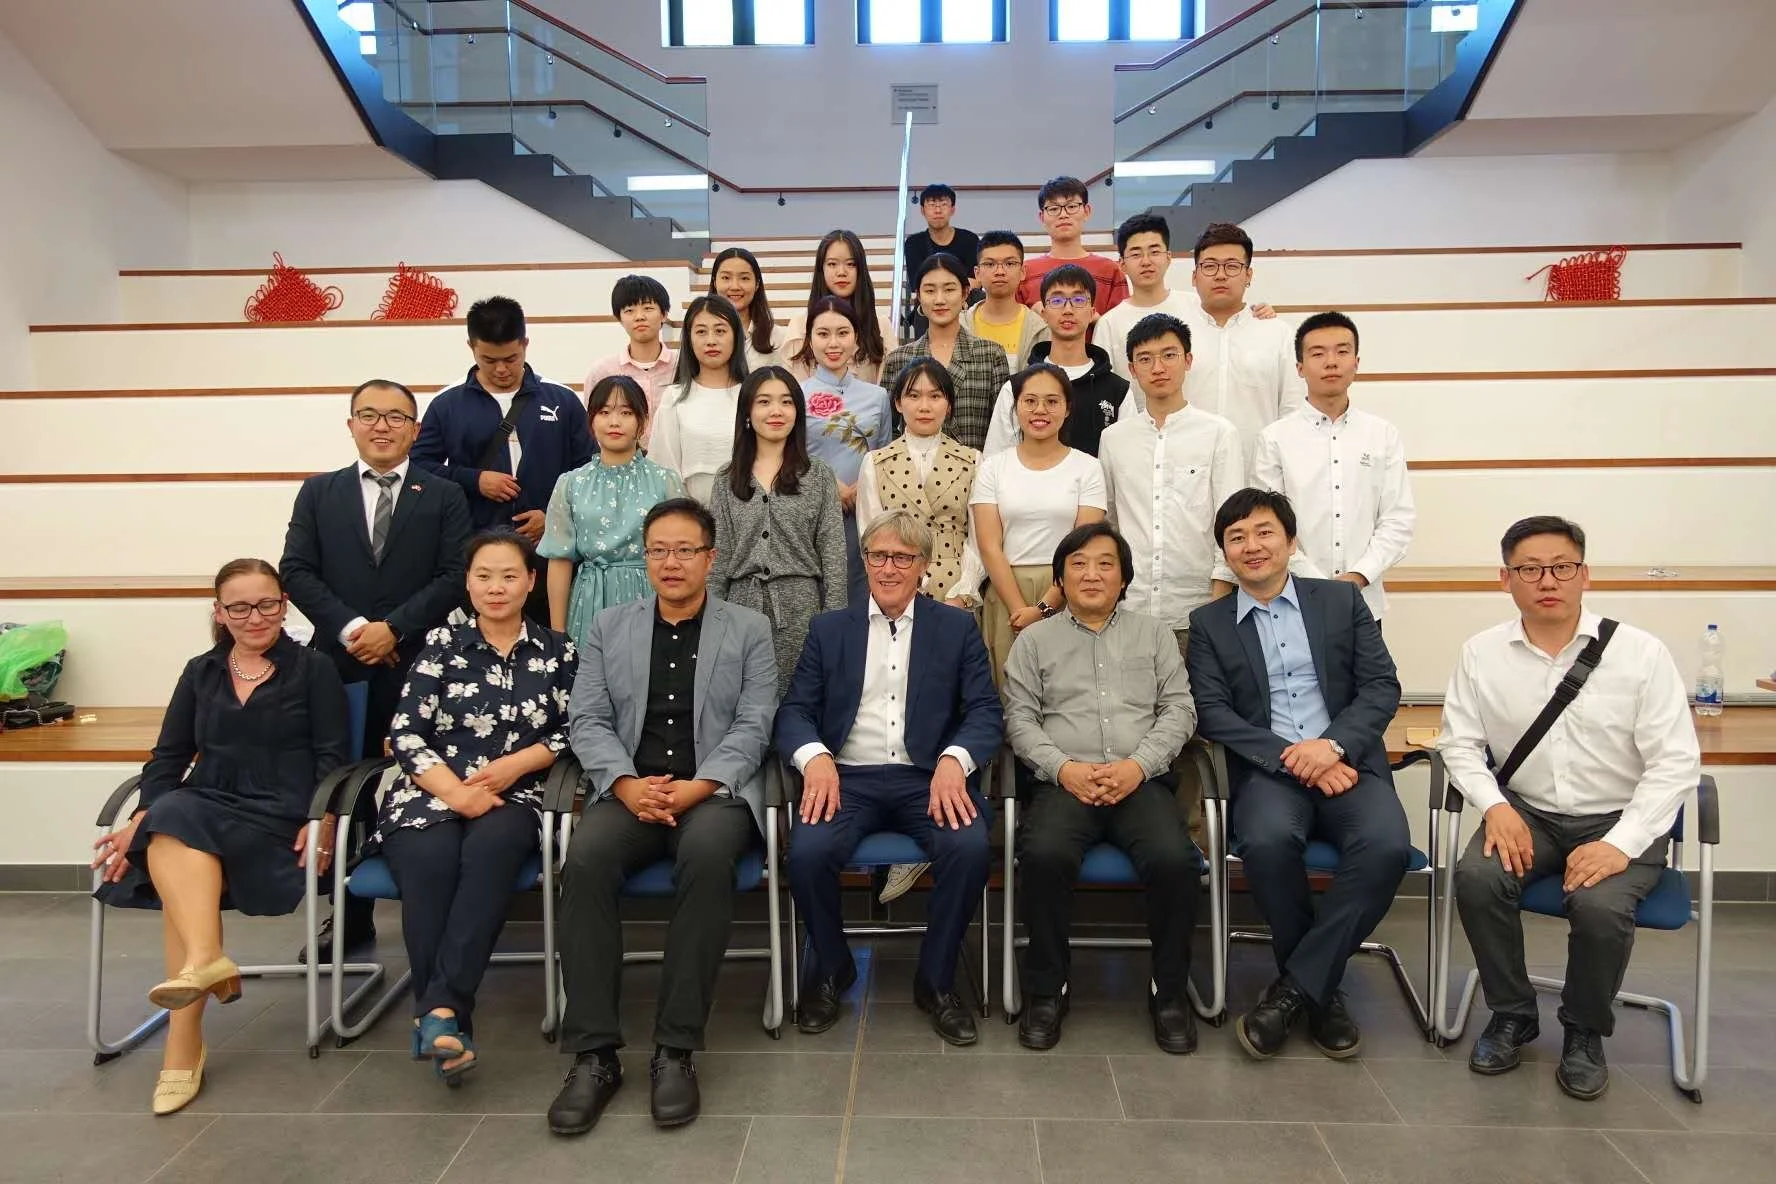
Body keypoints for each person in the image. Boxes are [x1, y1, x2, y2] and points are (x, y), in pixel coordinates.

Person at [1440, 516, 1700, 1101]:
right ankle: (1512, 1014)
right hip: (1527, 811)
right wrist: (1494, 805)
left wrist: (1620, 842)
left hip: (1619, 819)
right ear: (1506, 578)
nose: (1547, 580)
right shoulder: (1482, 653)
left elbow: (1675, 762)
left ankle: (1585, 1031)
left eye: (1562, 566)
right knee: (1478, 878)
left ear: (1584, 575)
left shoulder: (1640, 654)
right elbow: (1458, 742)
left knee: (1599, 906)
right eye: (1530, 569)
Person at [548, 498, 778, 1136]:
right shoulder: (608, 625)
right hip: (630, 791)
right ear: (644, 558)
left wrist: (698, 787)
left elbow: (756, 723)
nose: (670, 563)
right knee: (586, 862)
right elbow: (587, 719)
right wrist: (623, 783)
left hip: (713, 792)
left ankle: (675, 1049)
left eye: (685, 551)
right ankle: (594, 1055)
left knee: (706, 860)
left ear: (711, 557)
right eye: (658, 551)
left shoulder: (749, 627)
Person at [91, 559, 349, 1115]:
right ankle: (204, 968)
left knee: (170, 839)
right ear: (219, 612)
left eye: (267, 604)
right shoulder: (201, 671)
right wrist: (141, 813)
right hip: (207, 800)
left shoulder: (314, 668)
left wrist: (322, 817)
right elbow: (169, 758)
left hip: (283, 815)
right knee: (168, 821)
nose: (255, 617)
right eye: (239, 607)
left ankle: (185, 1039)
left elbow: (334, 758)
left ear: (284, 606)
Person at [1186, 488, 1411, 1062]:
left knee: (1386, 846)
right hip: (1270, 772)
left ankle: (1295, 990)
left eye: (1264, 532)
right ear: (1225, 554)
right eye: (1236, 538)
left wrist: (1331, 747)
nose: (1252, 546)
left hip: (1348, 766)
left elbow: (1382, 687)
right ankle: (1322, 993)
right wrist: (1298, 757)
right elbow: (1213, 713)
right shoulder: (1208, 623)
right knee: (1265, 841)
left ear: (1290, 541)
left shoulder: (1341, 602)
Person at [778, 510, 1004, 1045]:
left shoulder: (956, 628)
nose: (888, 567)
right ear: (865, 560)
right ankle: (833, 969)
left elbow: (985, 712)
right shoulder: (829, 629)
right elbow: (794, 711)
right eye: (878, 555)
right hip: (846, 776)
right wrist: (815, 758)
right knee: (806, 853)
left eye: (902, 558)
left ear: (923, 566)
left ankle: (937, 981)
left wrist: (955, 760)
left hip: (927, 776)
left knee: (969, 847)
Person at [373, 531, 576, 1084]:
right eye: (484, 575)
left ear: (531, 582)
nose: (496, 587)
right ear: (467, 582)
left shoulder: (558, 651)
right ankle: (447, 1016)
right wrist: (455, 792)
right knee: (431, 860)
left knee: (491, 851)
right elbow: (406, 732)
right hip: (430, 791)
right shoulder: (440, 644)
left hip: (517, 794)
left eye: (509, 575)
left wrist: (517, 765)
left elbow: (575, 728)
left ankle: (437, 1010)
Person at [281, 377, 472, 962]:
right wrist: (354, 630)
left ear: (415, 429)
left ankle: (437, 906)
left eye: (395, 416)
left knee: (426, 780)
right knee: (340, 783)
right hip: (338, 663)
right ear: (351, 424)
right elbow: (296, 569)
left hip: (422, 662)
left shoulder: (441, 495)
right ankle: (348, 913)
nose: (382, 426)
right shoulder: (319, 493)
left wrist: (394, 629)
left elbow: (452, 575)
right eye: (369, 415)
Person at [1004, 523, 1201, 1053]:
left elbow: (1180, 709)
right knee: (1042, 855)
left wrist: (1139, 765)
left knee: (1175, 862)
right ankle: (1048, 989)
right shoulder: (1034, 640)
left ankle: (1169, 992)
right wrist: (1063, 768)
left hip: (1141, 782)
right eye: (1079, 564)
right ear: (1060, 578)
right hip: (1063, 782)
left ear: (1124, 577)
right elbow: (1019, 719)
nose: (1092, 573)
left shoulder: (1155, 634)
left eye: (1105, 563)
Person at [413, 295, 592, 620]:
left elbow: (589, 471)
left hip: (549, 556)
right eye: (488, 359)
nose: (501, 369)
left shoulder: (561, 399)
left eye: (511, 358)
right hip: (478, 552)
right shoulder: (447, 404)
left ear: (526, 343)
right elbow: (419, 467)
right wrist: (474, 479)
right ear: (471, 347)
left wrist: (553, 516)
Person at [1251, 312, 1415, 625]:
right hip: (1293, 599)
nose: (1331, 361)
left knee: (1370, 677)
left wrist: (1359, 576)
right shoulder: (1274, 438)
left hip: (1365, 603)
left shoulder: (1382, 434)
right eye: (1317, 353)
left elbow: (1398, 518)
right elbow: (1268, 525)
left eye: (1342, 351)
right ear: (1299, 368)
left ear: (1356, 361)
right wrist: (1317, 583)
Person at [1098, 314, 1245, 645]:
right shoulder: (1114, 439)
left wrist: (1218, 602)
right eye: (1145, 359)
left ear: (1188, 360)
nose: (1158, 367)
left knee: (1201, 699)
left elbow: (1232, 523)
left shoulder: (1219, 433)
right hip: (1130, 609)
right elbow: (1110, 521)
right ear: (1132, 369)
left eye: (1169, 355)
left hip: (1198, 609)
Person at [707, 366, 849, 696]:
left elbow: (834, 557)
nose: (776, 411)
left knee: (800, 707)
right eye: (764, 402)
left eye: (786, 402)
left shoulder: (819, 476)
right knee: (744, 707)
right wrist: (710, 623)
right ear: (747, 413)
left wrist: (833, 626)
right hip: (740, 610)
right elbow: (718, 558)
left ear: (797, 413)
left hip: (802, 612)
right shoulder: (726, 479)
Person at [970, 363, 1107, 684]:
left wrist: (1045, 607)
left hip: (1071, 588)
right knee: (1011, 694)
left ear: (1067, 408)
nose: (1040, 410)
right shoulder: (993, 468)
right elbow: (989, 546)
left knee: (1070, 692)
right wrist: (1021, 611)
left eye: (1051, 401)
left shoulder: (1087, 468)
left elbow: (1083, 545)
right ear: (1015, 407)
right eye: (1029, 401)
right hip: (1006, 592)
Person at [1132, 222, 1304, 473]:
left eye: (1232, 266)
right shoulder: (1171, 334)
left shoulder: (1277, 333)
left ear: (1249, 275)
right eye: (1210, 266)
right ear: (1194, 276)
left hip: (1256, 476)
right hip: (1182, 475)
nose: (1220, 275)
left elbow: (1292, 412)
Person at [539, 375, 685, 649]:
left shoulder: (666, 480)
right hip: (589, 601)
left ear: (643, 422)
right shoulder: (570, 483)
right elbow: (559, 560)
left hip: (652, 598)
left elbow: (684, 555)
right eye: (604, 412)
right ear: (591, 421)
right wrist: (558, 635)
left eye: (626, 413)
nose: (614, 421)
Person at [855, 360, 987, 609]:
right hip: (897, 587)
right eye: (913, 396)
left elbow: (980, 538)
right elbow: (869, 536)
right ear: (897, 403)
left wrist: (963, 592)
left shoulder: (972, 461)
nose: (924, 406)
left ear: (948, 405)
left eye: (935, 396)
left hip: (955, 589)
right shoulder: (875, 462)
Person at [789, 296, 894, 603]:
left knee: (861, 596)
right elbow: (790, 453)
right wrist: (828, 483)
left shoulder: (877, 396)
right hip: (811, 511)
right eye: (823, 334)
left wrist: (864, 484)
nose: (833, 343)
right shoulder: (795, 394)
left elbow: (884, 453)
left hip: (864, 513)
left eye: (842, 333)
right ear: (809, 340)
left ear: (856, 339)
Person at [982, 265, 1130, 458]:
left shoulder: (1117, 390)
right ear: (1043, 312)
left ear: (1092, 311)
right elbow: (995, 461)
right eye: (1057, 300)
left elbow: (1126, 463)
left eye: (1078, 300)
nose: (1068, 310)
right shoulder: (1016, 387)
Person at [880, 253, 1010, 452]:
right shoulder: (899, 359)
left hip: (977, 476)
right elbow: (887, 429)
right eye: (930, 290)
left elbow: (1002, 430)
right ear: (918, 296)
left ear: (965, 293)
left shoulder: (990, 355)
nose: (939, 300)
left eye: (949, 289)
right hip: (913, 477)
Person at [649, 295, 750, 504]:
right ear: (689, 338)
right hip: (691, 520)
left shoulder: (753, 395)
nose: (711, 340)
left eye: (720, 331)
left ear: (736, 337)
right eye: (701, 331)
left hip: (750, 517)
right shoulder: (674, 398)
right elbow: (664, 472)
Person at [782, 230, 895, 384]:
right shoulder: (800, 324)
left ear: (860, 269)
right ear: (821, 270)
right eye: (832, 264)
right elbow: (796, 391)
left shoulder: (881, 325)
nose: (841, 272)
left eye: (850, 264)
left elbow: (887, 389)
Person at [584, 275, 678, 440]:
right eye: (629, 310)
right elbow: (594, 425)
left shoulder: (684, 365)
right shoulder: (602, 372)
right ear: (619, 318)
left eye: (648, 308)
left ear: (664, 314)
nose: (639, 316)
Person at [1016, 177, 1126, 314]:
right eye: (1053, 208)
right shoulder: (1024, 272)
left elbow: (1120, 328)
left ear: (1086, 211)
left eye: (1072, 207)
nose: (1063, 215)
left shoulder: (1110, 271)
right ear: (1041, 217)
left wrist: (1095, 320)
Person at [959, 231, 1049, 370]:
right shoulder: (959, 325)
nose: (1000, 271)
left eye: (1010, 263)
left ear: (1023, 272)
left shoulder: (1040, 329)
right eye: (990, 264)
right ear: (977, 273)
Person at [902, 183, 981, 335]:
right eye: (932, 205)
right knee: (924, 304)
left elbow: (975, 281)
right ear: (922, 210)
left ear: (953, 209)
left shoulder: (970, 239)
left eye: (943, 204)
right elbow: (918, 284)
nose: (938, 210)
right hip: (930, 305)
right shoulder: (913, 243)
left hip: (965, 303)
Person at [709, 247, 783, 370]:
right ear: (715, 282)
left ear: (757, 284)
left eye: (744, 278)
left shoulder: (777, 337)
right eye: (726, 278)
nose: (735, 286)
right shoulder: (699, 333)